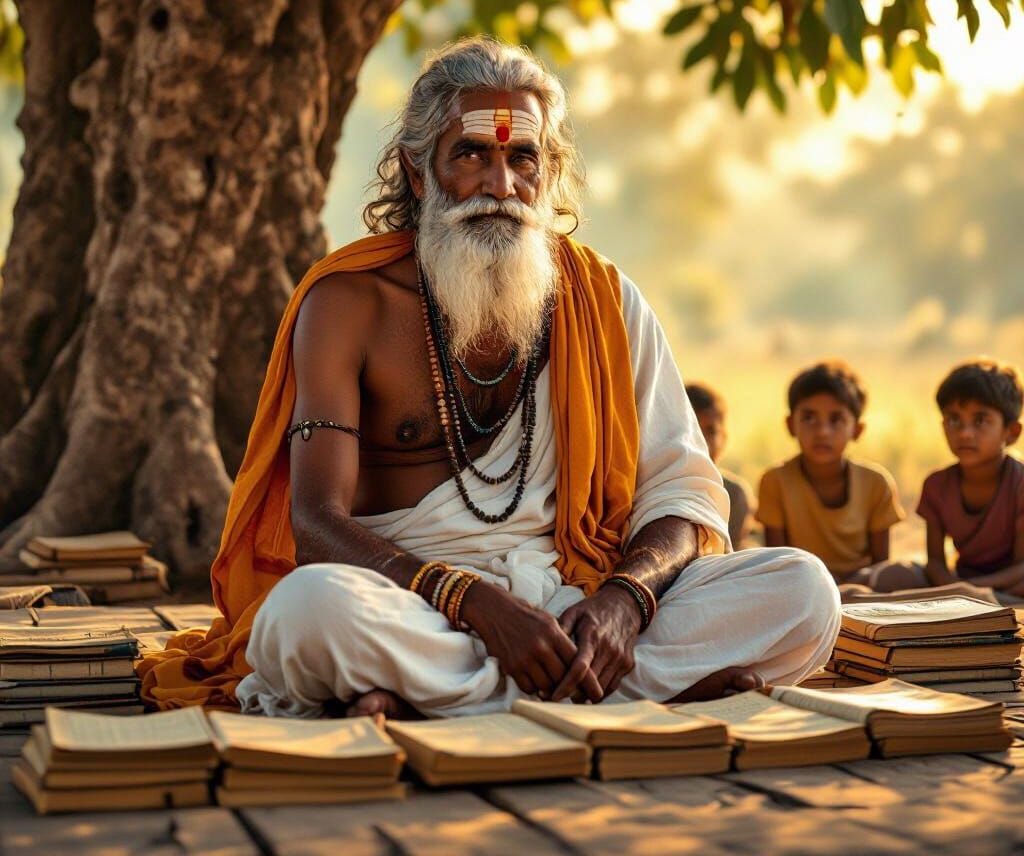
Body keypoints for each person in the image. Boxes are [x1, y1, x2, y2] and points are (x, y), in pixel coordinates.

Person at [139, 38, 840, 719]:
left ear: (548, 173)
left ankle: (437, 697)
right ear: (420, 173)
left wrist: (625, 604)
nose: (500, 185)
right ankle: (608, 694)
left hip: (576, 603)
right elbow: (316, 522)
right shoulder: (347, 304)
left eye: (522, 158)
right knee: (305, 614)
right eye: (472, 153)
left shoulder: (605, 301)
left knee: (804, 591)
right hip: (413, 603)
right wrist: (474, 605)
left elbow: (681, 494)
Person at [756, 361, 905, 592]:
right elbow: (778, 563)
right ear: (790, 424)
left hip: (861, 585)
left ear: (857, 429)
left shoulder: (876, 483)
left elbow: (880, 567)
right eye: (809, 418)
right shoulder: (775, 481)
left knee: (904, 573)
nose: (822, 431)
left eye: (836, 420)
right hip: (804, 584)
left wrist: (859, 587)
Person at [890, 359, 1024, 597]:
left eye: (980, 420)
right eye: (954, 419)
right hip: (959, 581)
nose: (964, 432)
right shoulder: (937, 485)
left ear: (1011, 432)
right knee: (897, 574)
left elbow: (1021, 567)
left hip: (1010, 584)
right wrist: (954, 588)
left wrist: (973, 590)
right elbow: (935, 563)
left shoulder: (1020, 482)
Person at [685, 383, 756, 548]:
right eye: (692, 429)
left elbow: (730, 555)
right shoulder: (655, 485)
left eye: (711, 431)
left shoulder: (735, 495)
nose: (701, 441)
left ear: (724, 438)